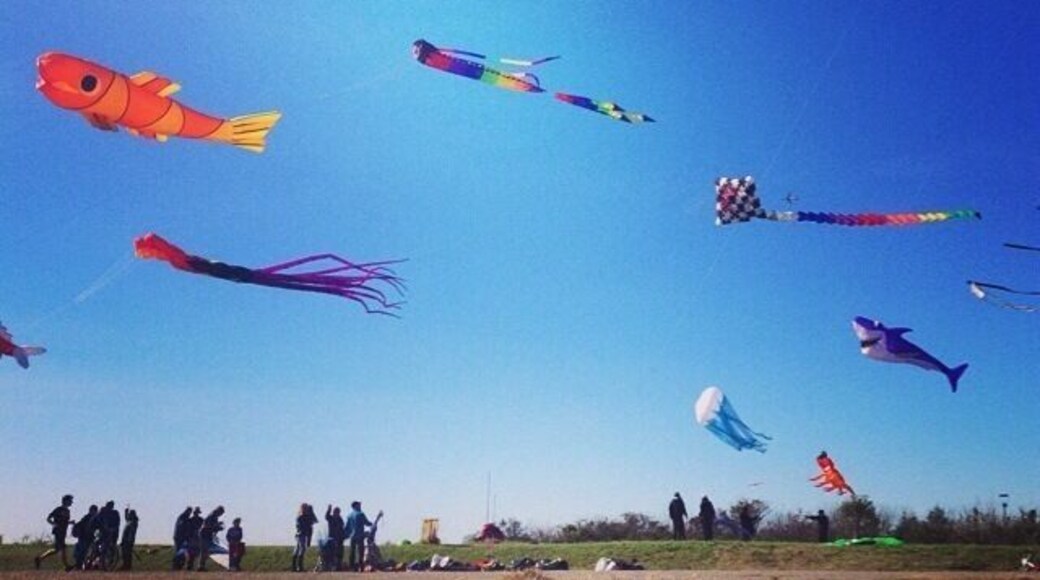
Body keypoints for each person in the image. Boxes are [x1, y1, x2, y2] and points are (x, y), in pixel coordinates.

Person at [35, 494, 74, 570]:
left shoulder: (67, 511)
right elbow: (49, 518)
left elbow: (64, 522)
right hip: (58, 531)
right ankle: (66, 566)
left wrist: (70, 523)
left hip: (63, 531)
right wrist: (53, 524)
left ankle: (40, 558)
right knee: (62, 548)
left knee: (58, 549)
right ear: (65, 501)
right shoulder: (58, 509)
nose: (71, 502)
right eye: (70, 501)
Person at [344, 501, 372, 572]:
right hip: (360, 535)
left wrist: (345, 535)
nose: (360, 506)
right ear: (355, 506)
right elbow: (366, 523)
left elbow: (347, 527)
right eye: (359, 505)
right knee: (361, 552)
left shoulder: (349, 515)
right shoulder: (360, 514)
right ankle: (361, 566)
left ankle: (352, 567)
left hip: (352, 536)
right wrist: (372, 524)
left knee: (352, 552)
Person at [292, 503, 318, 572]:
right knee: (301, 549)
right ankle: (299, 567)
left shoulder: (306, 516)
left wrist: (312, 513)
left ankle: (295, 567)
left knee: (297, 549)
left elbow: (315, 520)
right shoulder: (300, 516)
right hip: (301, 534)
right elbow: (301, 526)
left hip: (302, 534)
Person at [198, 506, 225, 571]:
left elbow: (211, 525)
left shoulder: (213, 516)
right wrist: (217, 527)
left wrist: (217, 525)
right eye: (221, 513)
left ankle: (202, 566)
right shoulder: (212, 516)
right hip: (205, 534)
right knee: (204, 551)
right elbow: (209, 526)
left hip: (206, 534)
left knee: (205, 551)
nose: (220, 515)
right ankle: (201, 566)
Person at [72, 504, 98, 571]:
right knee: (83, 552)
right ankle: (79, 566)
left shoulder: (90, 518)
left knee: (87, 552)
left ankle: (83, 565)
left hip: (87, 537)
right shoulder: (88, 518)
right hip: (84, 537)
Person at [96, 500, 121, 569]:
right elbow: (98, 521)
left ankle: (108, 562)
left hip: (112, 533)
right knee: (98, 545)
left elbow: (117, 523)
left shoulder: (115, 513)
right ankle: (98, 559)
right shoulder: (102, 512)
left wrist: (113, 529)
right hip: (104, 532)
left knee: (111, 547)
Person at [325, 505, 345, 570]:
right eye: (336, 512)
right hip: (332, 539)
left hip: (339, 539)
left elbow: (342, 528)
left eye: (338, 512)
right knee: (332, 553)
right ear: (333, 512)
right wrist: (329, 509)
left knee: (339, 553)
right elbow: (326, 516)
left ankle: (339, 566)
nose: (337, 513)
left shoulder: (340, 519)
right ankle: (331, 566)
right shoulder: (331, 518)